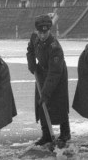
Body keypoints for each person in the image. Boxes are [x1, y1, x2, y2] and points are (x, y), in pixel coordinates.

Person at [26, 15, 71, 148]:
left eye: (45, 32)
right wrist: (31, 64)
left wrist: (45, 93)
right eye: (40, 32)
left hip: (57, 75)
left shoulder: (55, 47)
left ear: (49, 31)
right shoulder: (34, 37)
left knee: (59, 103)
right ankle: (46, 134)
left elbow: (54, 73)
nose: (42, 35)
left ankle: (65, 133)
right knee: (41, 103)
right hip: (41, 72)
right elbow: (30, 50)